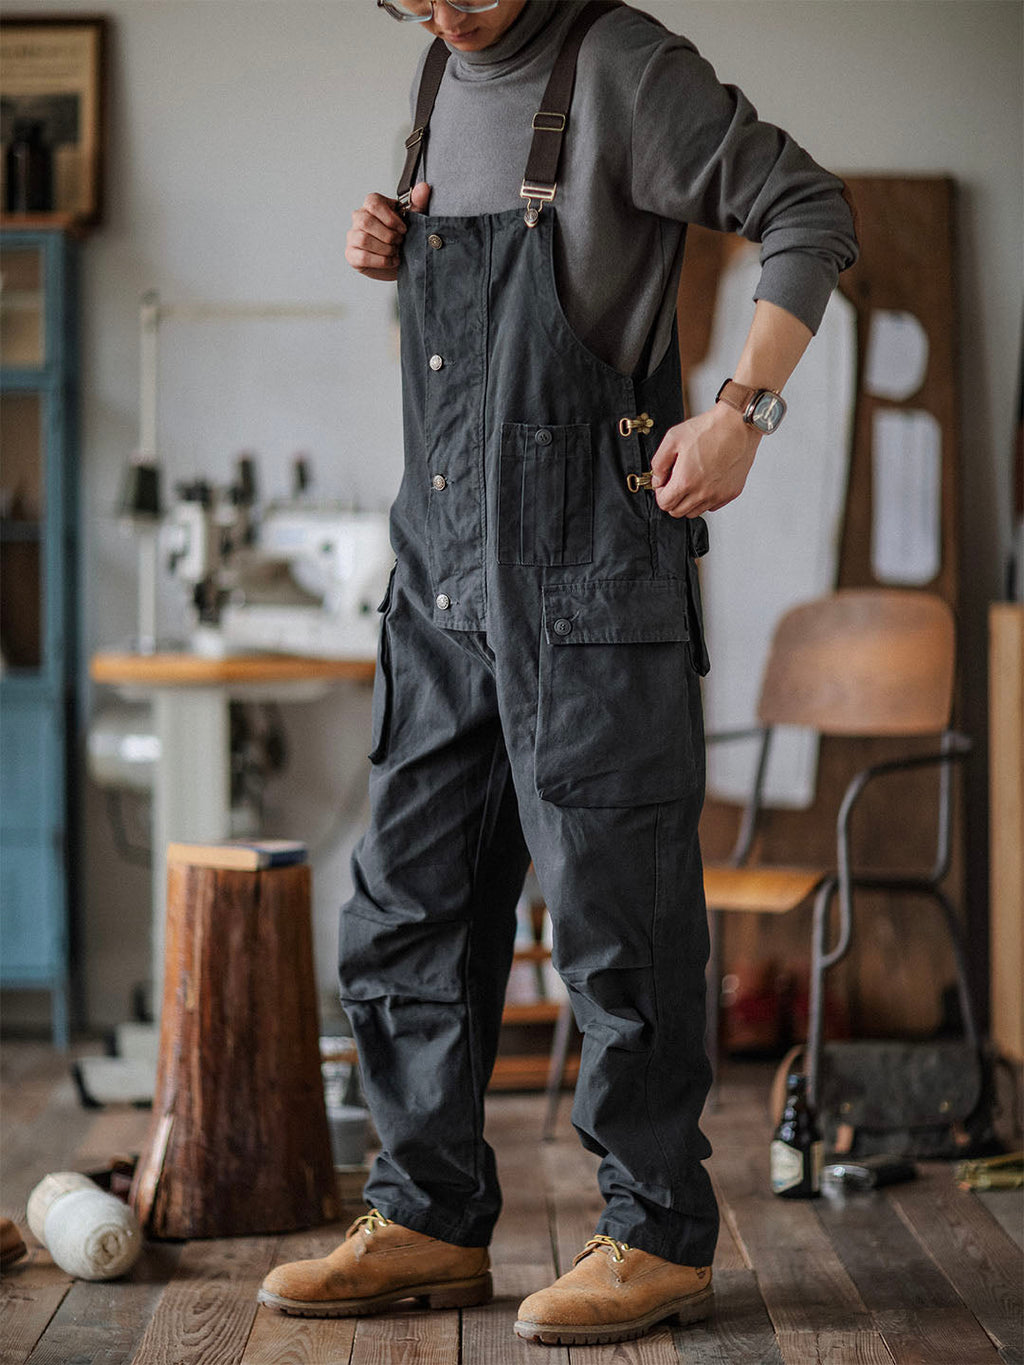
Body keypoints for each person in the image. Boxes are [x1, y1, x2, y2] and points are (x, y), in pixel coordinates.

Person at [258, 0, 857, 1346]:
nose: (448, 8)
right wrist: (389, 243)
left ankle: (657, 1236)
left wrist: (741, 412)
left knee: (617, 923)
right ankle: (425, 1213)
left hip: (588, 582)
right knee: (405, 908)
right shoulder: (436, 67)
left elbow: (810, 212)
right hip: (442, 579)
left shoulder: (623, 69)